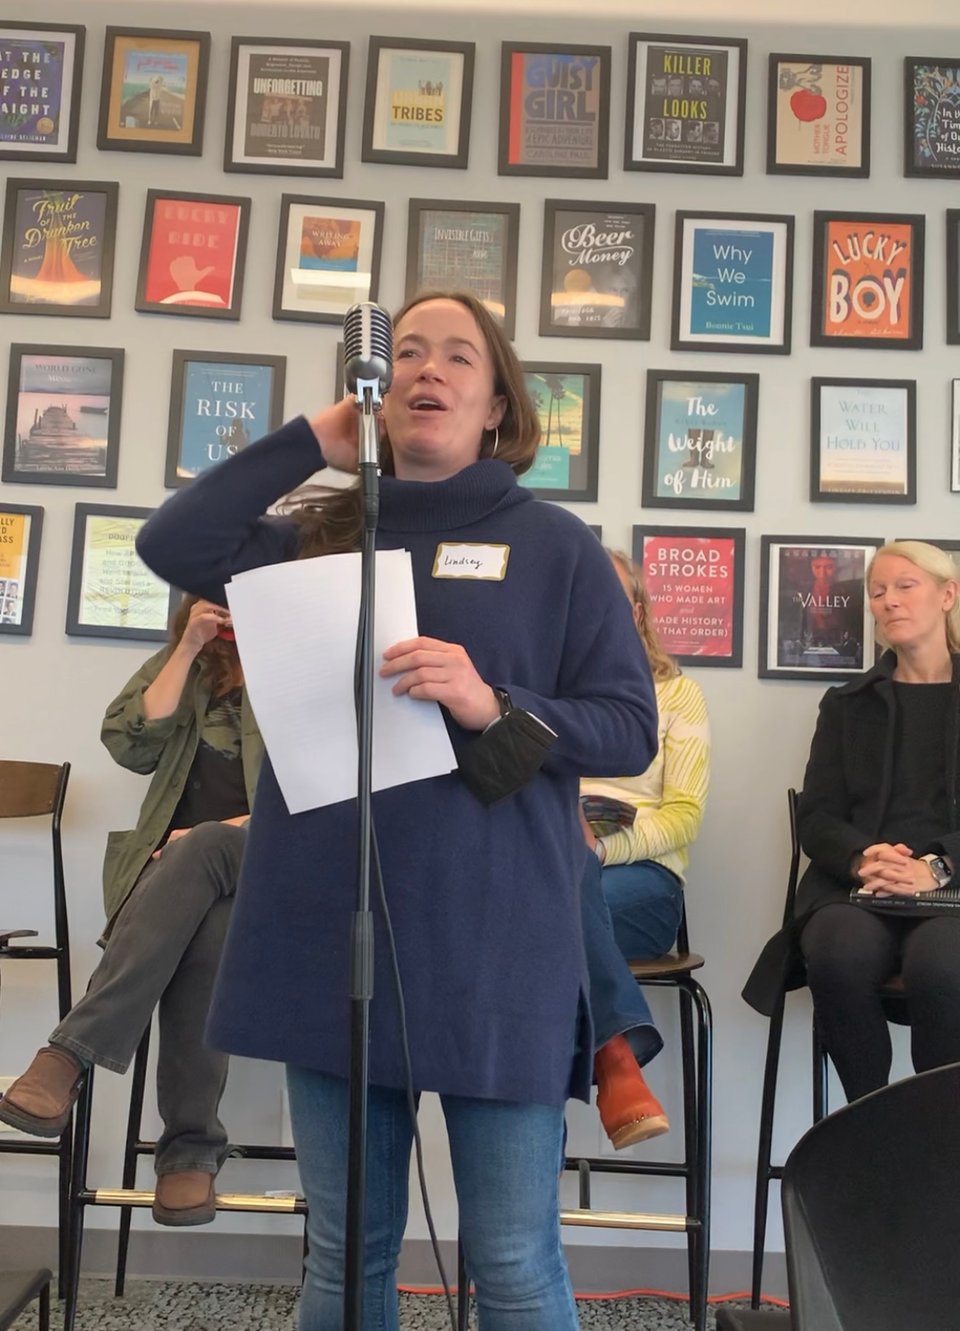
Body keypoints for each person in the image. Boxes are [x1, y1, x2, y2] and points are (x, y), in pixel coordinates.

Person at [135, 291, 658, 1331]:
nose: (428, 370)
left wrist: (491, 699)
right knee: (342, 1257)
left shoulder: (555, 545)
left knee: (512, 1256)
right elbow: (173, 541)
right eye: (406, 352)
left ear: (498, 401)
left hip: (497, 936)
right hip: (326, 928)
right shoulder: (312, 533)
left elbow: (628, 727)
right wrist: (315, 439)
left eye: (459, 356)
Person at [0, 596, 261, 1225]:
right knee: (208, 929)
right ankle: (190, 1155)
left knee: (207, 849)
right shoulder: (185, 664)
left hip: (276, 870)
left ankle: (67, 1056)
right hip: (180, 887)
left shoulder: (303, 670)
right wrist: (189, 648)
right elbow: (128, 743)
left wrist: (216, 831)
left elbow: (322, 792)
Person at [785, 540, 960, 1103]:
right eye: (877, 592)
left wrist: (938, 864)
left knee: (942, 961)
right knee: (834, 949)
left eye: (905, 586)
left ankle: (936, 1129)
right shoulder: (847, 703)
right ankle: (870, 1119)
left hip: (951, 892)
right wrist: (865, 858)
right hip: (859, 891)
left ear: (947, 594)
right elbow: (817, 816)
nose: (888, 601)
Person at [579, 551, 710, 1148]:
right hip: (551, 872)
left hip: (642, 884)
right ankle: (615, 1054)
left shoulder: (678, 696)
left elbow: (683, 816)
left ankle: (598, 1067)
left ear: (635, 613)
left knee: (541, 916)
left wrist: (602, 850)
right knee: (539, 906)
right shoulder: (530, 691)